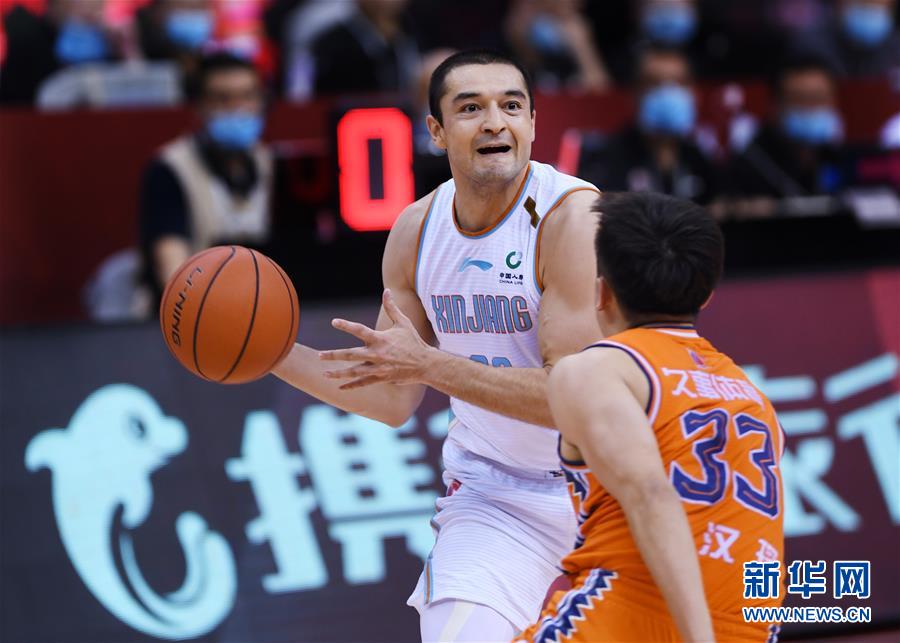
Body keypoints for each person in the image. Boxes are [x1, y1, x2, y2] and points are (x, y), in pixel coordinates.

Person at [271, 49, 601, 641]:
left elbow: (571, 400)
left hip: (607, 490)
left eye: (512, 106)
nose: (495, 122)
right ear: (436, 131)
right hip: (494, 496)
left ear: (533, 123)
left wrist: (431, 364)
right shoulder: (416, 230)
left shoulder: (572, 220)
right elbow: (392, 396)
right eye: (471, 108)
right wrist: (271, 354)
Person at [519, 192, 785, 642]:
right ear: (707, 294)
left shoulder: (595, 368)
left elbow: (650, 495)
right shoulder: (754, 397)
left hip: (630, 616)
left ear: (601, 292)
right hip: (753, 629)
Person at [139, 51, 273, 301]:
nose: (237, 108)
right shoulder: (169, 168)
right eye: (222, 98)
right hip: (196, 311)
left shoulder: (269, 162)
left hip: (265, 303)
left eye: (248, 96)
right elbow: (172, 275)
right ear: (199, 106)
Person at [578, 45, 719, 204]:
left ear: (695, 93)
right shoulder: (606, 160)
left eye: (679, 82)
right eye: (654, 83)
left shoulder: (702, 159)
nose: (667, 92)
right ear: (634, 93)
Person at [727, 55, 846, 211]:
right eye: (800, 100)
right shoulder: (751, 166)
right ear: (775, 106)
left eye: (819, 99)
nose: (811, 109)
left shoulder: (842, 159)